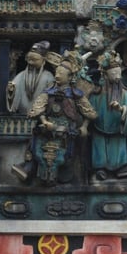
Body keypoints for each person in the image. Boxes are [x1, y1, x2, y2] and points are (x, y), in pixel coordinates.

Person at [22, 54, 97, 185]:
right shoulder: (48, 92)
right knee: (38, 152)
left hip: (66, 131)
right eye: (57, 72)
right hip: (48, 129)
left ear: (70, 77)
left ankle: (68, 174)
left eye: (61, 73)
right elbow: (38, 107)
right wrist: (44, 122)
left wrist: (84, 126)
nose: (57, 75)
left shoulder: (75, 95)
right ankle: (30, 168)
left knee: (64, 156)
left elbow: (89, 113)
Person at [89, 50, 127, 180]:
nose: (117, 76)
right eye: (114, 73)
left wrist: (122, 109)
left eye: (119, 73)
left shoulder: (124, 94)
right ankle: (100, 168)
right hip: (99, 129)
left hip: (117, 130)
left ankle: (120, 168)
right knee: (99, 147)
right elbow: (89, 108)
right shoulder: (96, 94)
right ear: (104, 75)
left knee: (118, 149)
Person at [6, 41, 55, 115]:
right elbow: (13, 91)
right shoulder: (21, 76)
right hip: (21, 118)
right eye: (29, 59)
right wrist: (11, 90)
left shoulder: (49, 77)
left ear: (43, 61)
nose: (31, 63)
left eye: (35, 60)